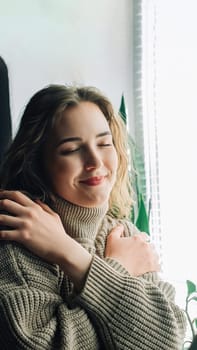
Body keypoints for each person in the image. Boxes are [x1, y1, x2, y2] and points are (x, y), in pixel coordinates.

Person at [0, 84, 186, 350]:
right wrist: (119, 268)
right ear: (36, 163)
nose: (95, 161)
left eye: (104, 143)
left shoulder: (126, 236)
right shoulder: (16, 241)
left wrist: (68, 253)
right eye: (72, 149)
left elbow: (167, 340)